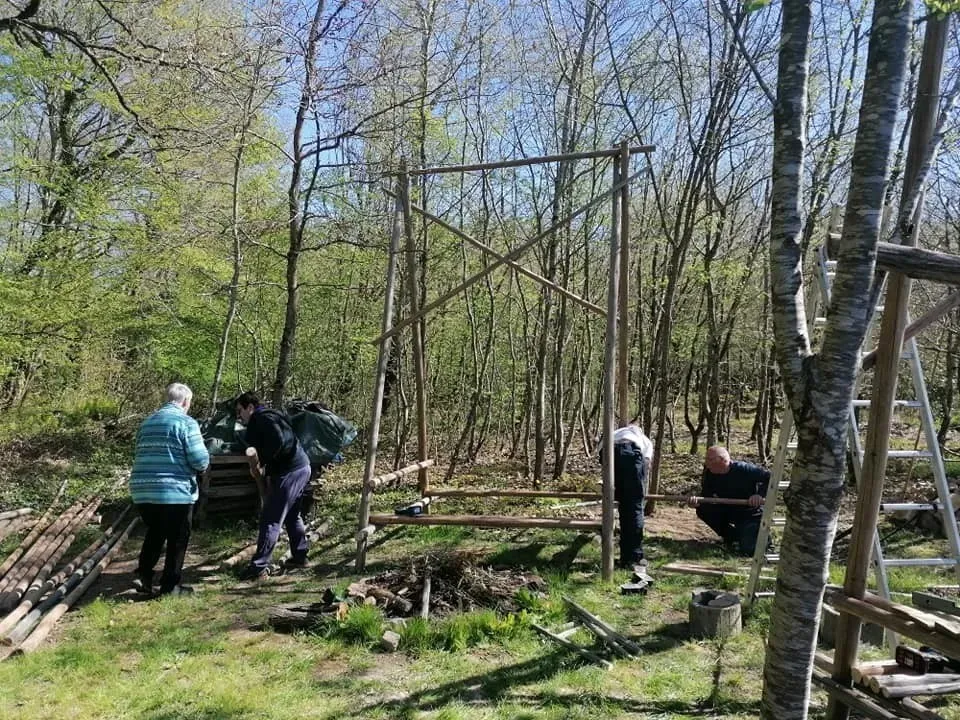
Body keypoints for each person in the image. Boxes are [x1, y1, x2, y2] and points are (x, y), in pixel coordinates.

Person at [129, 383, 209, 596]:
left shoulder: (147, 422)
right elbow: (200, 460)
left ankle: (144, 575)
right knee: (178, 537)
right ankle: (170, 586)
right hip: (174, 491)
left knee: (156, 531)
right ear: (186, 401)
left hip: (142, 490)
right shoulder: (186, 423)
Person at [235, 392, 311, 580]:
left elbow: (278, 441)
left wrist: (264, 461)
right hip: (302, 467)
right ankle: (300, 556)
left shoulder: (261, 419)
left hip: (290, 471)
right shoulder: (273, 414)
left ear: (250, 407)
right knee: (292, 515)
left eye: (240, 410)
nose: (239, 416)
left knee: (271, 519)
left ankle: (259, 568)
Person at [689, 446, 769, 556]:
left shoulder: (744, 469)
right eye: (706, 459)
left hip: (749, 512)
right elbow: (706, 496)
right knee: (703, 510)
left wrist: (759, 495)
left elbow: (769, 478)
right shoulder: (710, 473)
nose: (706, 463)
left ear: (722, 460)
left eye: (710, 459)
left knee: (750, 550)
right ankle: (732, 537)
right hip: (728, 509)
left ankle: (752, 538)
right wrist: (697, 502)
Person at [600, 424, 653, 569]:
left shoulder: (613, 432)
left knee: (623, 505)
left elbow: (601, 454)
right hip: (631, 457)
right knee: (634, 507)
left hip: (608, 452)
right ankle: (633, 557)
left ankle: (623, 557)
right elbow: (646, 464)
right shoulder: (644, 440)